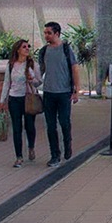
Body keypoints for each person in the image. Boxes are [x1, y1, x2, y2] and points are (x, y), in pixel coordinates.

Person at [38, 22, 81, 168]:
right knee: (50, 126)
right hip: (48, 93)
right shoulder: (44, 51)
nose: (46, 35)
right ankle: (54, 155)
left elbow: (75, 69)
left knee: (64, 122)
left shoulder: (66, 49)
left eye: (49, 33)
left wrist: (76, 90)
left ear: (57, 33)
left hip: (64, 93)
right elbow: (41, 71)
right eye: (45, 33)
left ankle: (67, 143)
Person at [0, 39, 42, 168]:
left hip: (28, 98)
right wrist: (3, 100)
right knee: (17, 128)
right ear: (18, 50)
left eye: (28, 46)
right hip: (14, 98)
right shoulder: (11, 65)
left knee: (29, 125)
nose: (27, 49)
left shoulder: (32, 65)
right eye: (24, 47)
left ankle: (31, 147)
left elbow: (39, 82)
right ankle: (19, 156)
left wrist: (32, 79)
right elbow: (7, 83)